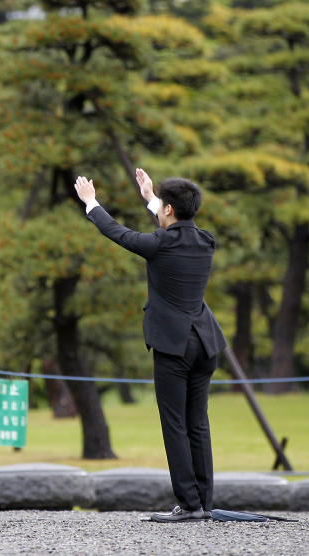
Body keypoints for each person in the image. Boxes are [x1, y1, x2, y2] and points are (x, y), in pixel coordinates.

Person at [74, 169, 227, 523]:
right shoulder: (206, 241)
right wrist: (150, 198)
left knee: (174, 424)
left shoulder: (159, 244)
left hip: (174, 345)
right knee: (198, 424)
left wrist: (91, 202)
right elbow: (176, 224)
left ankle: (188, 505)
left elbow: (117, 232)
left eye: (162, 206)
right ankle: (203, 501)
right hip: (206, 341)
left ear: (169, 210)